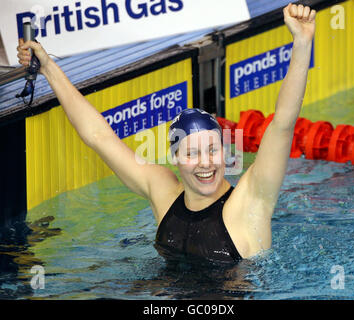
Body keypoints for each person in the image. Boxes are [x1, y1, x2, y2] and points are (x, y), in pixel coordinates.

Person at [17, 3, 316, 263]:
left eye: (212, 150)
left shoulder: (251, 202)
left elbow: (283, 124)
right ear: (175, 157)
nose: (206, 163)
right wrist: (47, 68)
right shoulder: (162, 191)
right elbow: (99, 137)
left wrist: (302, 43)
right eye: (192, 153)